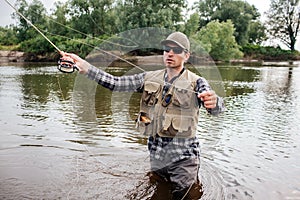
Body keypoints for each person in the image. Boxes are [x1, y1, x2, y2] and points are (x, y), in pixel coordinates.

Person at [61, 32, 225, 200]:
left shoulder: (197, 82)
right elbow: (116, 84)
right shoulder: (147, 77)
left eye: (176, 50)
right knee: (158, 192)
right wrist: (84, 66)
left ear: (186, 55)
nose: (170, 53)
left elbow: (217, 107)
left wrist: (214, 102)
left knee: (186, 196)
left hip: (183, 161)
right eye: (167, 49)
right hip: (157, 157)